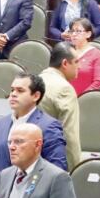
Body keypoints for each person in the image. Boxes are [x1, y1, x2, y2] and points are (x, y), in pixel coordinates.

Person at [0, 73, 68, 176]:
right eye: (12, 90)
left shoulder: (48, 126)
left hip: (35, 189)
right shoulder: (0, 124)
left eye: (20, 90)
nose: (13, 94)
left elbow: (57, 169)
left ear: (36, 96)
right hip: (4, 190)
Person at [40, 42, 83, 171]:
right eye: (76, 62)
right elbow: (69, 134)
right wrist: (75, 168)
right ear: (65, 63)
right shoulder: (64, 89)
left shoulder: (37, 79)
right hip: (53, 161)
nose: (79, 67)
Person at [66, 18, 100, 95]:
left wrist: (82, 97)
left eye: (78, 31)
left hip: (87, 100)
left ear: (88, 34)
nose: (74, 34)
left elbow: (98, 83)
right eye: (72, 31)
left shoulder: (97, 54)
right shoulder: (66, 52)